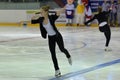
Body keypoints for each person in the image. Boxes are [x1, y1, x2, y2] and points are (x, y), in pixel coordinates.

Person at [31, 5, 72, 77]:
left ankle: (68, 56)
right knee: (53, 54)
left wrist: (63, 8)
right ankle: (57, 70)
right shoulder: (41, 19)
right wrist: (33, 17)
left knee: (62, 49)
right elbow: (32, 22)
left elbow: (58, 13)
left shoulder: (51, 17)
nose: (41, 13)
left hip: (57, 36)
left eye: (42, 12)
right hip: (50, 38)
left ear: (46, 12)